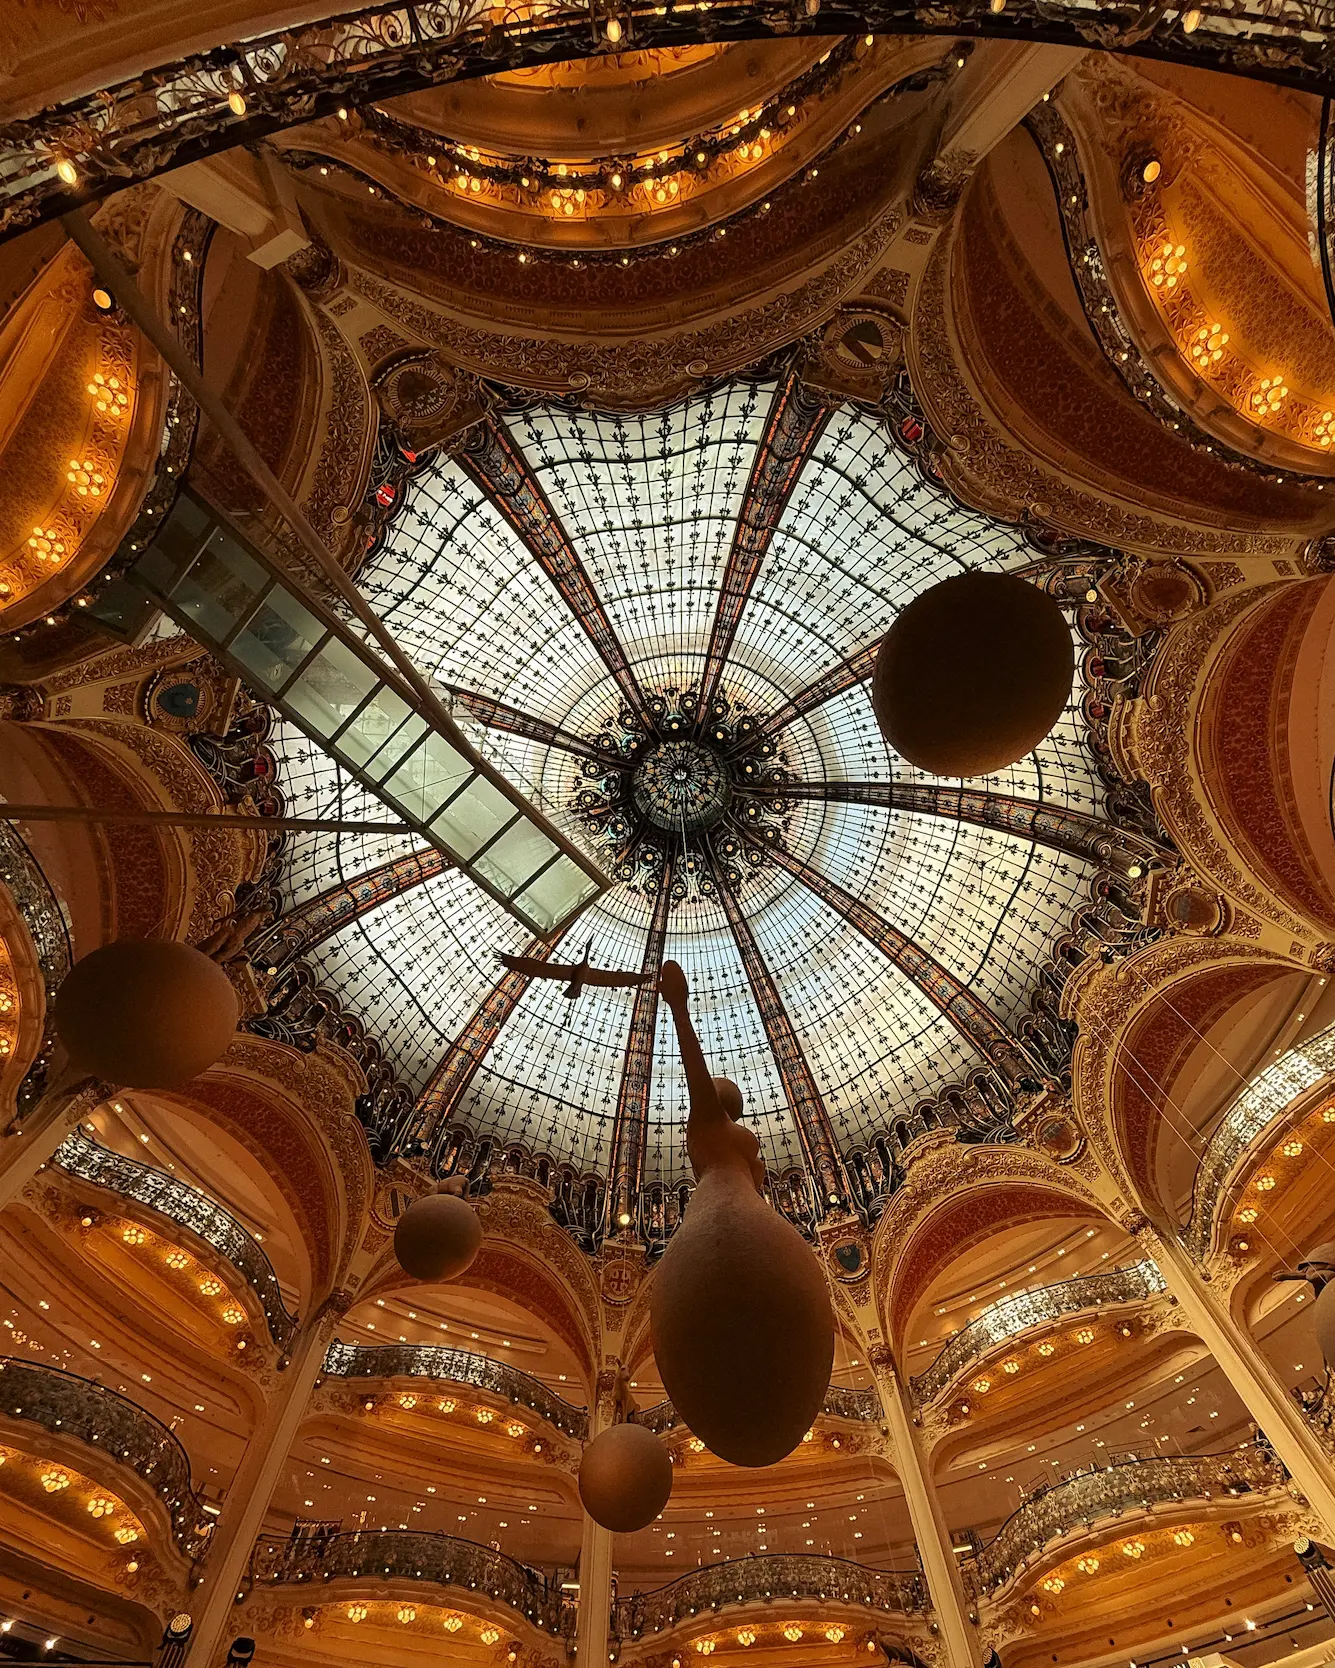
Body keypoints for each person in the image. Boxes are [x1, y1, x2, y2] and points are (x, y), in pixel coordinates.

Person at [657, 959, 764, 1190]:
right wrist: (678, 1008)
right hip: (731, 1211)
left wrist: (678, 1008)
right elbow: (694, 1064)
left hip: (723, 1210)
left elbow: (695, 1066)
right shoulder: (717, 1125)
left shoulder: (713, 1122)